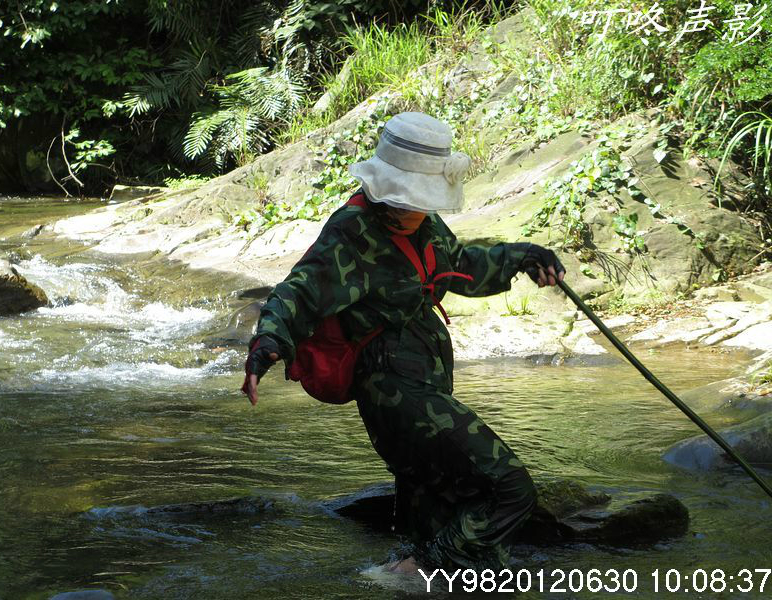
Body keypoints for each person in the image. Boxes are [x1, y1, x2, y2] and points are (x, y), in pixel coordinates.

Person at [242, 112, 565, 573]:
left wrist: (523, 258)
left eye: (413, 199)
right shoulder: (351, 232)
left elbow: (460, 266)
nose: (402, 208)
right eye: (397, 197)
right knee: (509, 488)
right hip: (394, 394)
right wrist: (267, 344)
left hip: (426, 384)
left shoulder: (427, 226)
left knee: (436, 512)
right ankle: (417, 569)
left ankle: (417, 570)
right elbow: (298, 292)